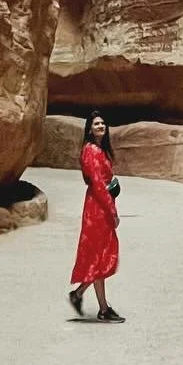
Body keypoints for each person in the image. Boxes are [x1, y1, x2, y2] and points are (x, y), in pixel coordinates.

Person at [67, 110, 124, 322]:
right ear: (89, 129)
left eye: (103, 123)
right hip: (97, 208)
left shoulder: (101, 150)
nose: (101, 126)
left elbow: (104, 181)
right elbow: (98, 185)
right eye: (96, 124)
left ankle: (85, 297)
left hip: (102, 204)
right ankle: (99, 306)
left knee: (101, 255)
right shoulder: (90, 150)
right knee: (100, 255)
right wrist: (112, 210)